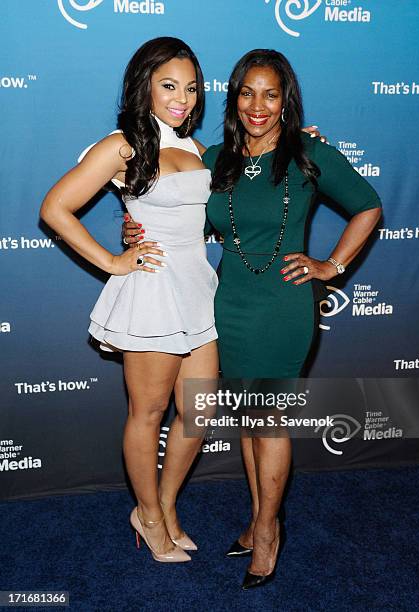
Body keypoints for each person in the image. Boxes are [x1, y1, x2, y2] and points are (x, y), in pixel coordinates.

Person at [123, 49, 382, 588]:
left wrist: (330, 265)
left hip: (282, 308)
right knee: (247, 419)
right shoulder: (214, 156)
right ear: (233, 97)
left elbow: (368, 205)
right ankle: (255, 518)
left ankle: (268, 530)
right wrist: (132, 231)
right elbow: (165, 202)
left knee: (269, 422)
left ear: (286, 99)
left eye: (270, 94)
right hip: (228, 304)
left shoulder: (309, 153)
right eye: (247, 93)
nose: (257, 105)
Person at [40, 37, 220, 563]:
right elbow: (55, 207)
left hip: (197, 289)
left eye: (190, 88)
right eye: (168, 86)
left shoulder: (197, 148)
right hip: (152, 291)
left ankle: (160, 507)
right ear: (144, 86)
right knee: (149, 413)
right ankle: (148, 512)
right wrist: (115, 261)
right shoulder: (123, 145)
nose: (181, 98)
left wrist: (293, 140)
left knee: (198, 414)